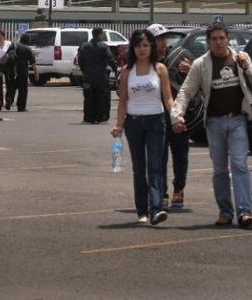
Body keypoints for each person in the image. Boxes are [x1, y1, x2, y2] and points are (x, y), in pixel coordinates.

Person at [170, 23, 252, 230]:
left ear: (227, 39)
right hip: (214, 122)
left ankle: (245, 212)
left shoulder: (241, 59)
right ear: (208, 42)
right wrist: (176, 115)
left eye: (222, 38)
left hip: (238, 119)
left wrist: (247, 68)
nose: (219, 42)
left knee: (239, 164)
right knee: (220, 170)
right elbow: (186, 91)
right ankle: (225, 212)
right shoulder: (200, 64)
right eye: (214, 39)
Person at [111, 28, 175, 226]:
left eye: (146, 45)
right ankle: (142, 210)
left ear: (151, 47)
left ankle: (156, 209)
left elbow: (168, 98)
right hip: (134, 122)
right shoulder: (127, 71)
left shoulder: (160, 69)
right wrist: (119, 125)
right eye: (138, 45)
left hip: (156, 121)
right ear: (133, 48)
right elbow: (123, 101)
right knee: (139, 168)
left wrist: (176, 117)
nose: (142, 49)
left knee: (155, 166)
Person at [147, 23, 193, 211]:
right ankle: (162, 193)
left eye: (164, 38)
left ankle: (179, 190)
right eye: (158, 39)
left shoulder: (182, 56)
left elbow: (200, 80)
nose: (162, 42)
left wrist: (191, 70)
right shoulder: (144, 62)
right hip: (155, 118)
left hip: (178, 116)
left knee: (180, 155)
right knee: (159, 158)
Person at [76, 28, 117, 124]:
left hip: (88, 76)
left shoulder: (84, 46)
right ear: (100, 34)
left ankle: (89, 117)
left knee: (89, 98)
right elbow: (110, 59)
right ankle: (101, 117)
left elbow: (80, 60)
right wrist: (115, 70)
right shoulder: (104, 46)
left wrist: (84, 70)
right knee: (102, 97)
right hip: (101, 77)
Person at [5, 33, 38, 112]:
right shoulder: (27, 49)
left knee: (12, 87)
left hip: (12, 71)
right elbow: (33, 63)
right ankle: (21, 107)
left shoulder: (13, 46)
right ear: (28, 40)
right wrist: (36, 73)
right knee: (23, 90)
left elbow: (6, 56)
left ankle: (9, 98)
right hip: (22, 72)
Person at [0, 30, 11, 107]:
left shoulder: (9, 43)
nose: (0, 37)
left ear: (4, 36)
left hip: (8, 66)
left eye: (1, 36)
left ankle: (8, 100)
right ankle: (0, 100)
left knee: (9, 83)